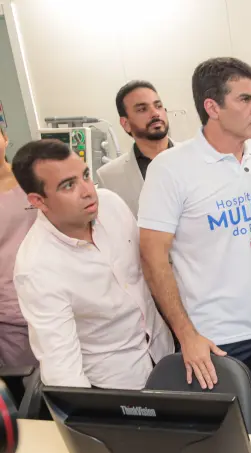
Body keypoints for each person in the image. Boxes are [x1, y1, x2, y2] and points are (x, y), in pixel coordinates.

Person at [138, 57, 251, 437]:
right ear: (212, 107)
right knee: (228, 439)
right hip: (218, 336)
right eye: (245, 99)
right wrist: (186, 335)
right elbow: (152, 256)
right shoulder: (170, 168)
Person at [12, 140, 173, 388]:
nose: (87, 191)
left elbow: (150, 269)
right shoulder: (37, 269)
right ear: (39, 201)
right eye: (69, 185)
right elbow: (62, 370)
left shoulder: (111, 205)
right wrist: (92, 409)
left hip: (164, 352)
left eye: (85, 175)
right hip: (116, 384)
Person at [96, 80, 173, 215]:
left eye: (158, 106)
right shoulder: (108, 177)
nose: (155, 113)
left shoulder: (198, 158)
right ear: (125, 123)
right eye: (142, 109)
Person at [0, 127, 37, 369]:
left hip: (54, 296)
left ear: (5, 138)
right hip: (9, 314)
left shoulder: (32, 179)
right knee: (29, 384)